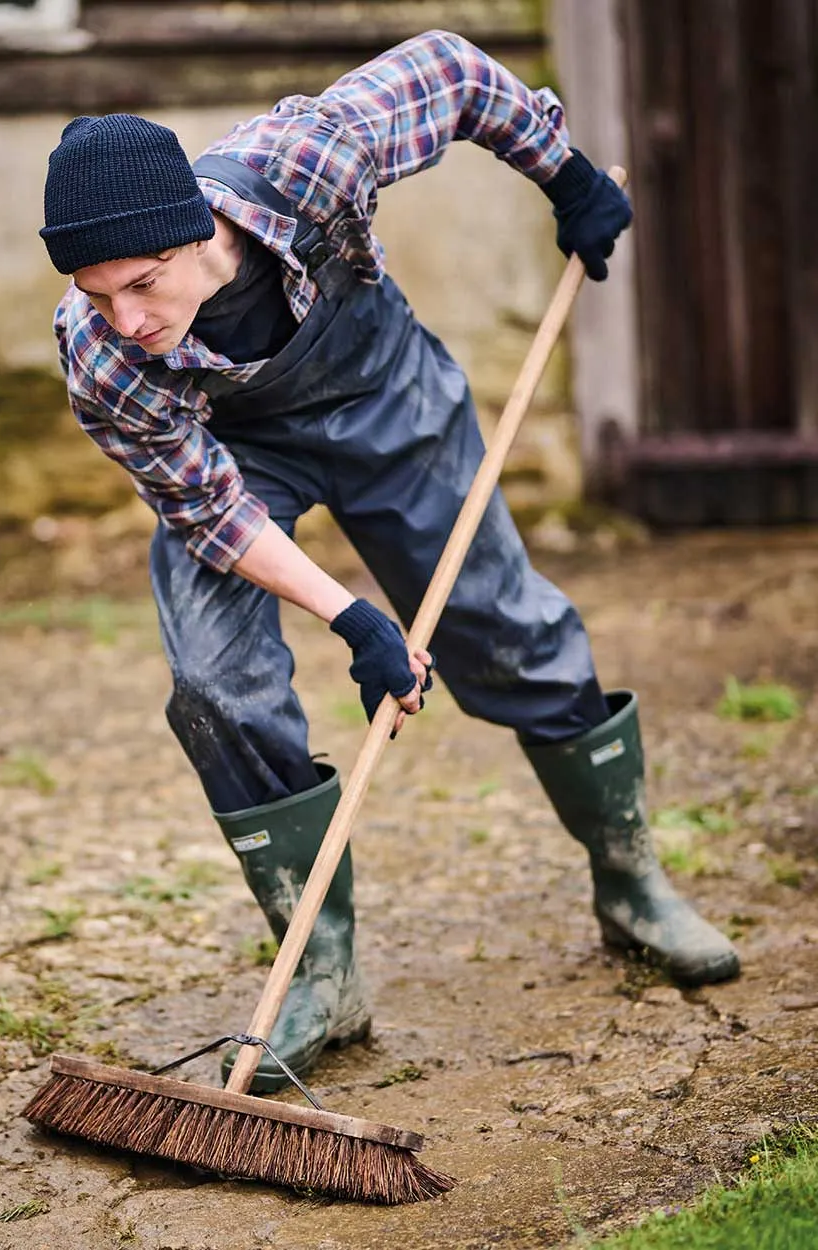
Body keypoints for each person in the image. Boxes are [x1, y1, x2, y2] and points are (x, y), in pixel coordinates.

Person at [39, 30, 739, 1093]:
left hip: (384, 399)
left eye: (141, 283)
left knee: (506, 627)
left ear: (195, 233)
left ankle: (630, 877)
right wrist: (350, 616)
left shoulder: (305, 159)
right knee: (214, 685)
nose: (127, 321)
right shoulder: (100, 354)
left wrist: (566, 174)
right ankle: (320, 969)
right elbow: (211, 509)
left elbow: (451, 72)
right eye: (99, 295)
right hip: (239, 458)